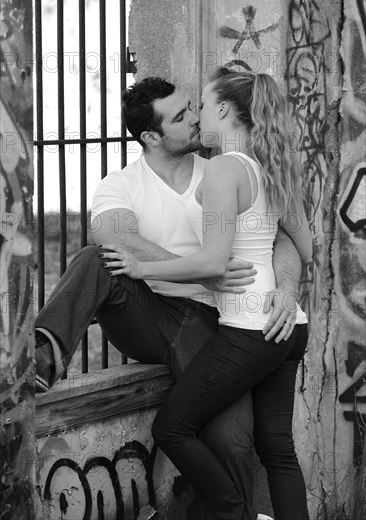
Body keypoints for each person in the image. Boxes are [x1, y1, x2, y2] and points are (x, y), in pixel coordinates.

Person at [35, 75, 303, 520]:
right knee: (95, 260)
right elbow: (113, 235)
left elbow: (283, 237)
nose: (195, 118)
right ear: (151, 137)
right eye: (181, 117)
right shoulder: (121, 184)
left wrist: (288, 287)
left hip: (220, 325)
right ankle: (43, 356)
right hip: (152, 314)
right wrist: (204, 270)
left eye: (193, 107)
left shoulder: (225, 168)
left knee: (232, 442)